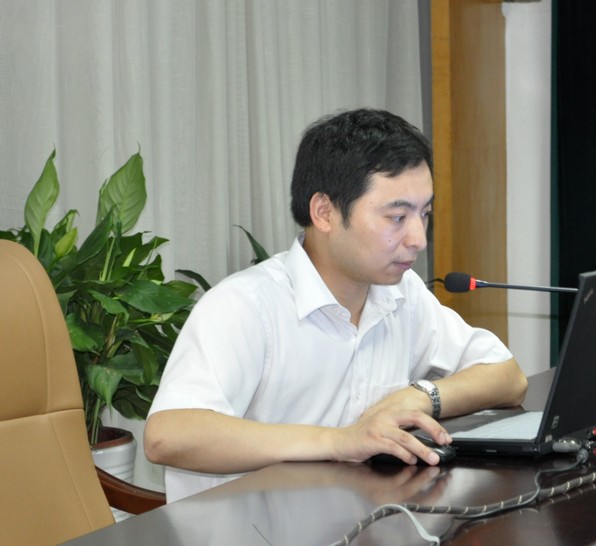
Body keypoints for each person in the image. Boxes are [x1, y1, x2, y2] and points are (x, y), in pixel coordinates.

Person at [144, 108, 528, 502]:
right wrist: (339, 441)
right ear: (324, 212)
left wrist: (418, 396)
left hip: (359, 519)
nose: (418, 238)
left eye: (424, 214)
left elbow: (508, 377)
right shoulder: (244, 306)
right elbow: (167, 436)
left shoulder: (401, 294)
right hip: (251, 526)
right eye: (397, 216)